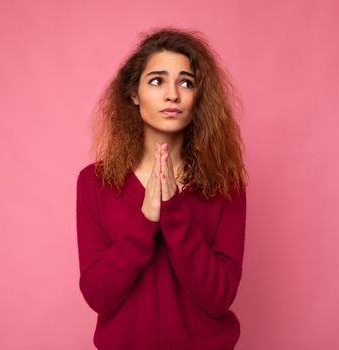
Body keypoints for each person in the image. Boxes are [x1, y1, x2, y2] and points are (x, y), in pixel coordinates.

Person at [76, 26, 248, 350]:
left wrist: (175, 215)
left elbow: (219, 297)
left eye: (186, 82)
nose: (173, 94)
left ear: (199, 97)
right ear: (134, 93)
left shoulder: (227, 185)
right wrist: (145, 221)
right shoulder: (93, 183)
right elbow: (98, 294)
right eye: (157, 81)